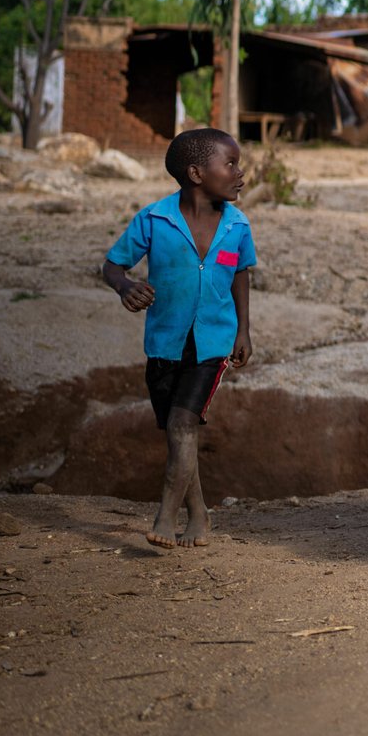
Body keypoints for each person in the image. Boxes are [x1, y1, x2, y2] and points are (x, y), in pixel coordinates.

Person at [103, 128, 254, 549]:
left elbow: (241, 273)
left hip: (213, 343)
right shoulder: (154, 219)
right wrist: (124, 287)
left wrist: (243, 330)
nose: (240, 173)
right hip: (165, 342)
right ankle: (200, 517)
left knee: (183, 423)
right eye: (231, 165)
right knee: (176, 430)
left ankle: (165, 515)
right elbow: (113, 266)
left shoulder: (238, 225)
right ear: (196, 173)